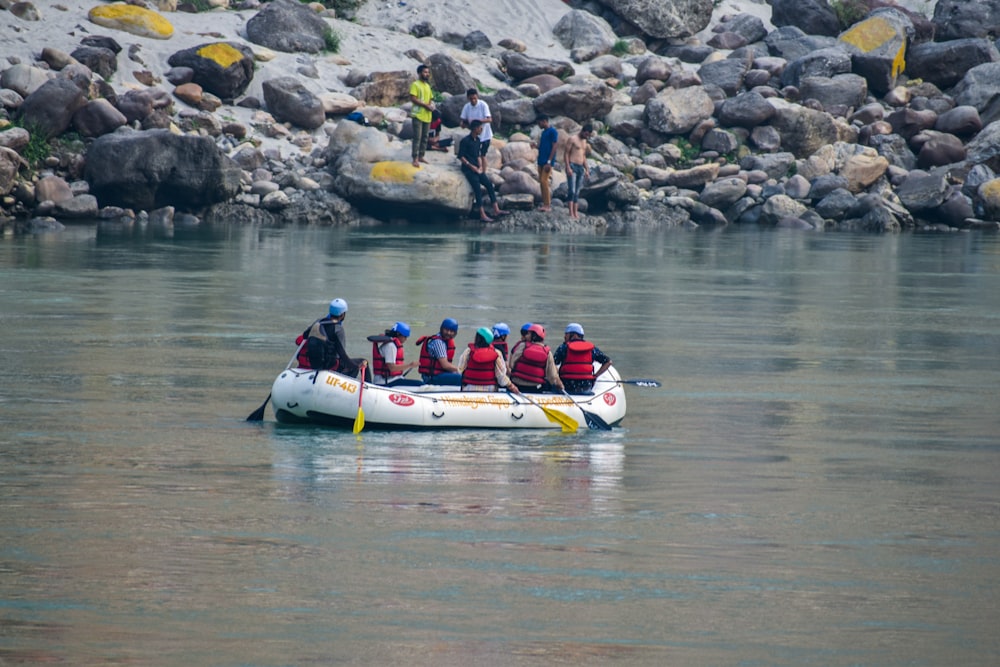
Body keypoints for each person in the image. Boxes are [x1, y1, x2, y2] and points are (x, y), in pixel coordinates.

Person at [298, 298, 364, 377]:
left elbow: (305, 335)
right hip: (329, 365)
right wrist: (355, 366)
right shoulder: (338, 329)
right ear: (343, 314)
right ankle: (367, 387)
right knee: (362, 362)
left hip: (313, 363)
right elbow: (341, 354)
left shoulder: (318, 322)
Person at [458, 120, 508, 222]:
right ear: (475, 128)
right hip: (468, 169)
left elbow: (478, 155)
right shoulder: (465, 141)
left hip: (477, 168)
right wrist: (471, 166)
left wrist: (480, 166)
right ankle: (482, 214)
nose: (481, 129)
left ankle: (496, 209)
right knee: (477, 188)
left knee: (489, 185)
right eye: (480, 128)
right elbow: (461, 157)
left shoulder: (478, 140)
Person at [553, 322, 611, 394]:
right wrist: (595, 376)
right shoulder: (592, 349)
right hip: (586, 387)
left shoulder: (563, 348)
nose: (564, 337)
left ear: (574, 335)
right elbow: (608, 362)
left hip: (567, 386)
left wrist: (557, 375)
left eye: (566, 334)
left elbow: (552, 364)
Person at [456, 327, 519, 393]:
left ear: (476, 338)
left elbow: (460, 370)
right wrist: (511, 386)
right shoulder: (497, 353)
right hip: (490, 390)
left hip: (469, 388)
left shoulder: (468, 352)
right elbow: (501, 377)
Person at [508, 324, 564, 393]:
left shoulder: (522, 346)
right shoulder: (547, 353)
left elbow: (511, 364)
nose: (526, 336)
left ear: (534, 336)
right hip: (535, 387)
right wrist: (560, 385)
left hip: (517, 385)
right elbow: (552, 376)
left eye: (528, 333)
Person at [370, 321, 421, 386]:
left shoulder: (391, 344)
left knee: (418, 383)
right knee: (420, 384)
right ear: (398, 334)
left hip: (392, 379)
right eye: (405, 337)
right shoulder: (390, 346)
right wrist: (410, 365)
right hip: (385, 382)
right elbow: (392, 368)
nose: (406, 339)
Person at [416, 317, 462, 385]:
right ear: (441, 329)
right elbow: (445, 365)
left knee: (459, 375)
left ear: (455, 333)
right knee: (463, 378)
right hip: (431, 378)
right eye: (446, 330)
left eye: (452, 331)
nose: (449, 333)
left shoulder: (446, 342)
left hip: (440, 374)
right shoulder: (438, 342)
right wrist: (460, 370)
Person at [563, 123, 593, 220]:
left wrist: (587, 169)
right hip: (572, 165)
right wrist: (568, 167)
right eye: (586, 134)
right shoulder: (572, 139)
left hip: (580, 168)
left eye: (588, 135)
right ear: (583, 131)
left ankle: (575, 213)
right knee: (571, 190)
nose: (587, 136)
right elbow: (566, 153)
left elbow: (583, 156)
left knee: (577, 191)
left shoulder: (584, 142)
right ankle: (571, 213)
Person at [459, 88, 493, 170]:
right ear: (468, 98)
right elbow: (462, 120)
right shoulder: (467, 107)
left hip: (485, 135)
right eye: (471, 99)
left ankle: (483, 172)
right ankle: (475, 168)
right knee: (474, 154)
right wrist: (464, 124)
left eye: (475, 98)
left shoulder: (483, 105)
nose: (473, 100)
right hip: (474, 135)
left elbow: (489, 119)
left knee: (483, 155)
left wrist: (478, 121)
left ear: (477, 96)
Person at [409, 64, 435, 168]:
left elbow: (430, 99)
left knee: (425, 137)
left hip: (427, 115)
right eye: (425, 72)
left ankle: (421, 155)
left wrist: (431, 105)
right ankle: (415, 158)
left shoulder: (428, 86)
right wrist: (425, 105)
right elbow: (413, 98)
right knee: (417, 137)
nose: (427, 74)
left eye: (428, 72)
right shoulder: (415, 85)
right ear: (419, 73)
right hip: (418, 115)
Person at [535, 114, 559, 212]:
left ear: (544, 121)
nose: (539, 125)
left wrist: (549, 161)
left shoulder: (553, 131)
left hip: (547, 162)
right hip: (541, 160)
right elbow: (541, 146)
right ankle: (545, 203)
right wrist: (535, 145)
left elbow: (554, 146)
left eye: (539, 123)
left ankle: (547, 205)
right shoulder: (544, 132)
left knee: (544, 181)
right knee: (541, 182)